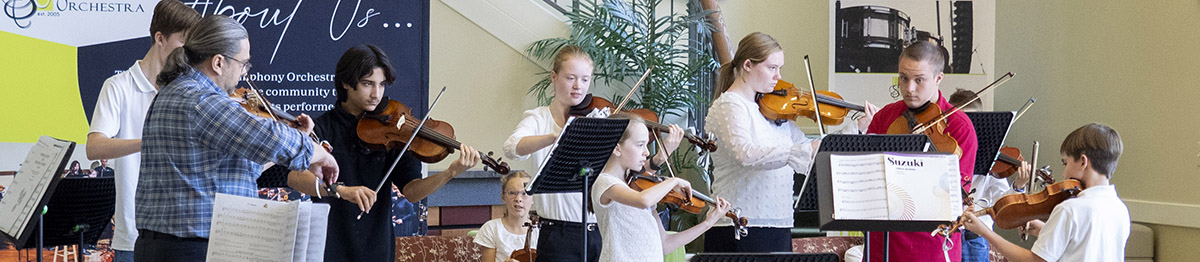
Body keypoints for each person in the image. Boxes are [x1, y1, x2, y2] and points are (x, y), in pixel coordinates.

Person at [136, 15, 340, 262]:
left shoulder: (178, 92)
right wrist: (320, 154)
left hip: (175, 246)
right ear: (218, 62)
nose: (244, 73)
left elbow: (234, 171)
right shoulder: (201, 100)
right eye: (243, 63)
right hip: (192, 249)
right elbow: (269, 137)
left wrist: (300, 141)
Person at [287, 44, 481, 262]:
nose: (376, 94)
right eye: (367, 84)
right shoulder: (322, 128)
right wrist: (342, 190)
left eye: (381, 85)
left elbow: (412, 191)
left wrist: (450, 172)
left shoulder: (394, 132)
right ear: (346, 83)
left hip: (377, 248)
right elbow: (295, 176)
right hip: (329, 247)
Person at [503, 45, 684, 262]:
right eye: (570, 78)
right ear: (554, 76)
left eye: (585, 79)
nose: (578, 86)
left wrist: (658, 159)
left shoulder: (598, 120)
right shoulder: (538, 118)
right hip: (558, 234)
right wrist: (556, 136)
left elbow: (627, 175)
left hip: (600, 232)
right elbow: (512, 147)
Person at [84, 1, 201, 259]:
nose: (190, 53)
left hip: (183, 233)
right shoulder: (118, 86)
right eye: (184, 43)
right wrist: (149, 140)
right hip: (134, 235)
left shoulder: (188, 90)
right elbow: (94, 147)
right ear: (160, 38)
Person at [702, 32, 821, 252]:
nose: (778, 76)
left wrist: (857, 127)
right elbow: (745, 154)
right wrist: (799, 151)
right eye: (772, 68)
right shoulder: (730, 105)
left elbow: (809, 148)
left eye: (780, 68)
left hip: (777, 223)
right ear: (748, 65)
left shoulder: (772, 110)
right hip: (739, 223)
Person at [863, 41, 978, 261]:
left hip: (930, 246)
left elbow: (953, 197)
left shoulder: (959, 126)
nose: (909, 89)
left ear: (938, 79)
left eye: (919, 80)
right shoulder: (885, 117)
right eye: (903, 78)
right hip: (881, 245)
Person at [962, 123, 1129, 262]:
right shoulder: (1119, 208)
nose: (1064, 173)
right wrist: (1045, 230)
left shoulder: (1070, 209)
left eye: (1065, 163)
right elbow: (1086, 245)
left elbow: (1035, 260)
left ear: (1083, 162)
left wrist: (985, 232)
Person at [592, 113, 731, 261]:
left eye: (646, 145)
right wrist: (673, 181)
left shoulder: (639, 187)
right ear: (617, 148)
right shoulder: (605, 182)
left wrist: (708, 223)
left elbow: (665, 244)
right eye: (640, 145)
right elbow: (642, 200)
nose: (646, 152)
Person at [948, 88, 1032, 262]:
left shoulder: (993, 161)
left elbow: (1003, 206)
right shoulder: (945, 153)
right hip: (947, 233)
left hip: (975, 236)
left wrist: (1018, 186)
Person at [475, 171, 537, 262]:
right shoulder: (492, 229)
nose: (518, 199)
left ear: (533, 198)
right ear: (503, 197)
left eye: (524, 193)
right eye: (512, 193)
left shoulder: (542, 230)